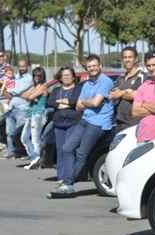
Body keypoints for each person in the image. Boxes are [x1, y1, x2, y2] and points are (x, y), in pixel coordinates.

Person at [48, 55, 114, 199]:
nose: (92, 69)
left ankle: (68, 184)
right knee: (67, 148)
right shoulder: (87, 84)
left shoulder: (105, 81)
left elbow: (96, 103)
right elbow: (78, 106)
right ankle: (67, 181)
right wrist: (86, 102)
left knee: (81, 152)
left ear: (100, 66)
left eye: (94, 66)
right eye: (89, 67)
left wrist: (85, 102)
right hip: (85, 119)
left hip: (99, 123)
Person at [47, 67, 83, 184]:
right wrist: (63, 103)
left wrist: (62, 102)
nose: (66, 77)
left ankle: (69, 177)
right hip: (59, 124)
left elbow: (75, 101)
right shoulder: (56, 90)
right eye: (64, 75)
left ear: (73, 77)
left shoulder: (78, 89)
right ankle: (60, 176)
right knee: (60, 150)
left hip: (73, 123)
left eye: (68, 75)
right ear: (60, 78)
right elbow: (50, 102)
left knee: (68, 150)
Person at [1, 59, 33, 160]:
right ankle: (11, 152)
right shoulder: (15, 77)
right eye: (20, 66)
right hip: (11, 108)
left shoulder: (29, 78)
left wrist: (11, 91)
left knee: (20, 133)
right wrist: (9, 91)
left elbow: (16, 90)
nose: (21, 68)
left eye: (23, 66)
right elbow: (8, 90)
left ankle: (24, 153)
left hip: (22, 109)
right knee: (9, 132)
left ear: (27, 66)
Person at [110, 46, 145, 133]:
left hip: (134, 123)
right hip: (119, 121)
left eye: (130, 57)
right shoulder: (120, 78)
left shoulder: (142, 76)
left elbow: (140, 95)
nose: (127, 60)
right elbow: (112, 95)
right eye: (125, 57)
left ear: (135, 59)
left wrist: (121, 93)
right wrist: (127, 92)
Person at [20, 67, 48, 170]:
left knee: (35, 139)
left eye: (39, 76)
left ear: (42, 76)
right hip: (31, 114)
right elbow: (23, 94)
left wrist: (31, 95)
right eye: (35, 75)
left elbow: (29, 97)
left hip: (38, 114)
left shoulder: (43, 87)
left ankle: (37, 160)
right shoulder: (35, 86)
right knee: (24, 137)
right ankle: (34, 158)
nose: (36, 77)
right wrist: (30, 95)